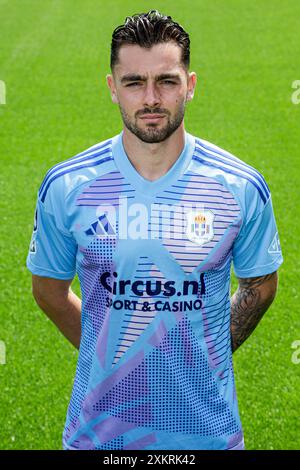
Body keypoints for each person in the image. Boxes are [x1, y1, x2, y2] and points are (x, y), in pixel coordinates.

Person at [26, 10, 283, 451]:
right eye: (133, 83)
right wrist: (111, 357)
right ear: (112, 89)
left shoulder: (239, 185)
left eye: (166, 81)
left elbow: (260, 285)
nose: (150, 99)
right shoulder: (68, 186)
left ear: (191, 84)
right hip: (99, 440)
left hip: (209, 438)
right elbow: (48, 289)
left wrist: (200, 357)